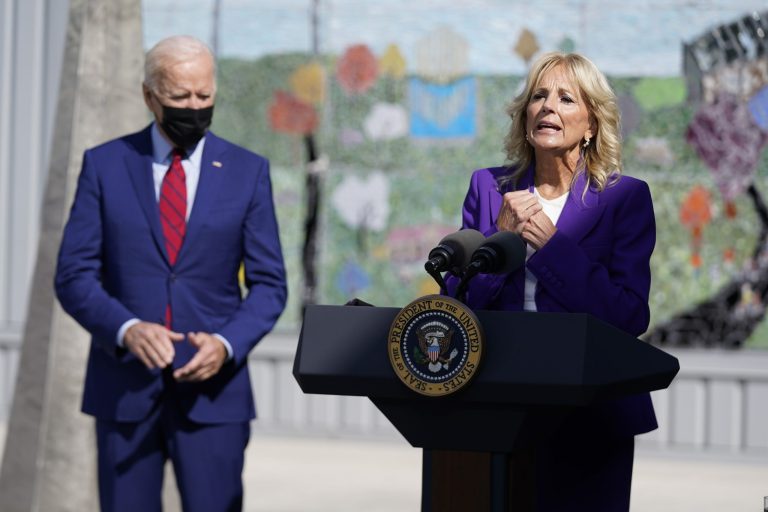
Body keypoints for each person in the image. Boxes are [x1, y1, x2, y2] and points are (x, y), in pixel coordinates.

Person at [54, 35, 287, 512]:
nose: (194, 107)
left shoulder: (248, 171)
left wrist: (225, 345)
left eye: (204, 96)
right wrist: (126, 329)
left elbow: (269, 285)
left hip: (214, 396)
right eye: (180, 97)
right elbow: (73, 274)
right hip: (124, 392)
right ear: (149, 96)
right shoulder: (105, 165)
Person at [446, 52, 656, 510]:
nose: (548, 107)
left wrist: (554, 248)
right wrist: (500, 239)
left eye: (565, 98)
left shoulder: (625, 198)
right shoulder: (488, 188)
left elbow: (628, 314)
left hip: (591, 411)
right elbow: (457, 306)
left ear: (592, 124)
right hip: (497, 405)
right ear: (525, 120)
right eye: (539, 97)